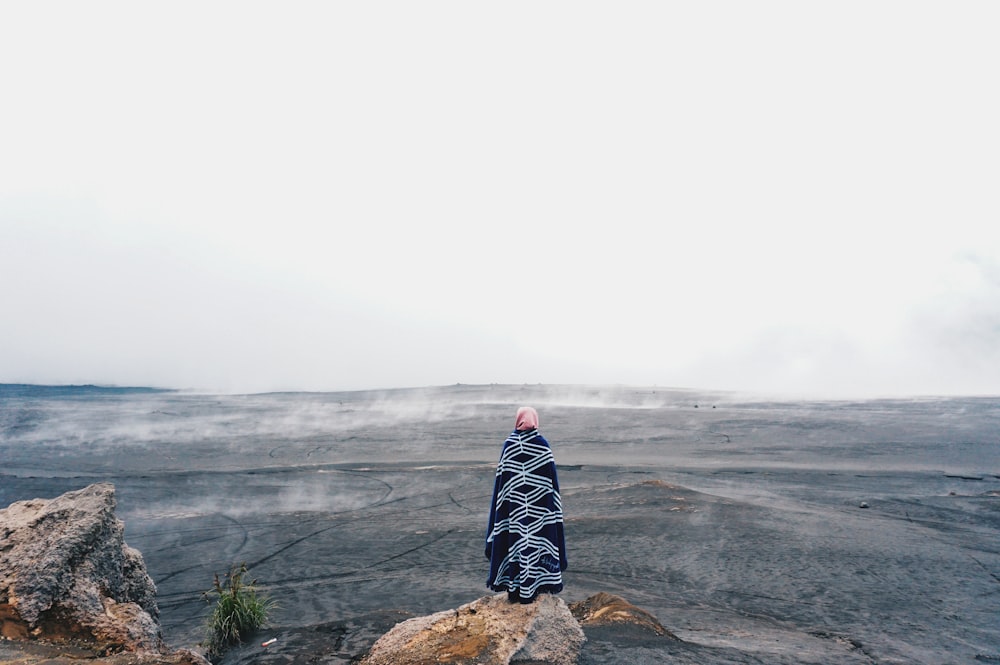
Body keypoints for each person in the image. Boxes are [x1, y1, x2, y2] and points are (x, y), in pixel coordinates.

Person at [485, 406, 567, 603]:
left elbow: (501, 485)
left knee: (515, 544)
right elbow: (552, 483)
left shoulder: (510, 445)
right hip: (541, 514)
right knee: (538, 544)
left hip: (513, 513)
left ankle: (515, 589)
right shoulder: (542, 445)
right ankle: (535, 587)